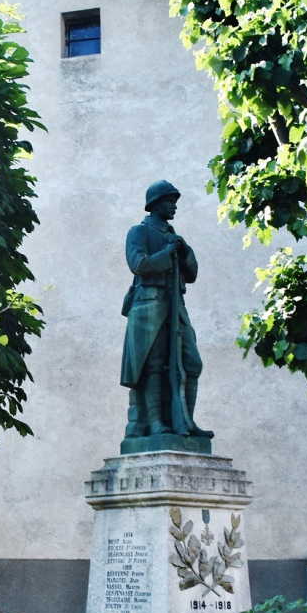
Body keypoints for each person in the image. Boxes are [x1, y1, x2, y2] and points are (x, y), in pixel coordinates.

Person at [120, 180, 213, 440]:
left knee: (191, 363)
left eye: (175, 201)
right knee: (154, 363)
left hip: (176, 305)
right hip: (149, 303)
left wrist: (183, 251)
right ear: (155, 204)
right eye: (170, 201)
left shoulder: (174, 237)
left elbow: (191, 274)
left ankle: (186, 421)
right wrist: (167, 251)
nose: (174, 206)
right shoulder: (139, 232)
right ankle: (156, 423)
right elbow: (139, 263)